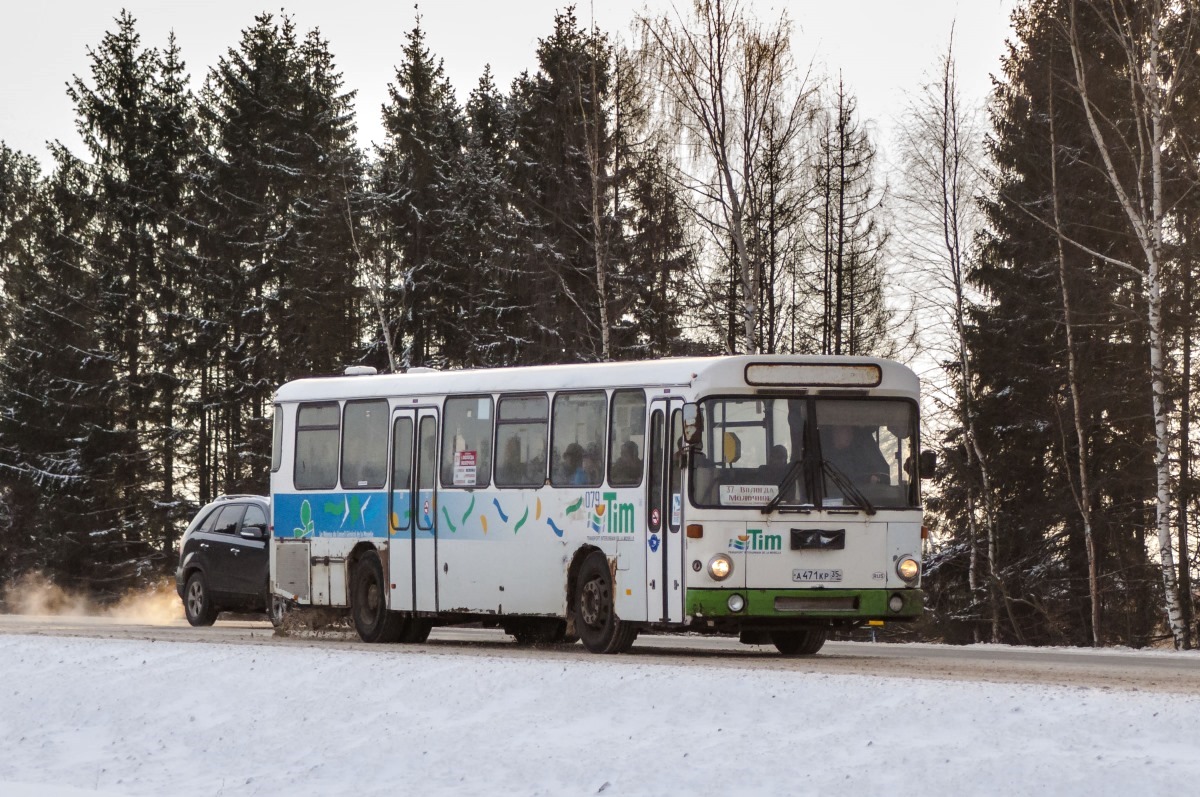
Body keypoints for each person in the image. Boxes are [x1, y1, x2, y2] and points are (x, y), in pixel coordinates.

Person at [824, 425, 889, 485]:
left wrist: (875, 478)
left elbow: (882, 472)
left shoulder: (864, 449)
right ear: (834, 432)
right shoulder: (821, 451)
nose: (850, 432)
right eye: (845, 428)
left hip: (863, 495)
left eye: (851, 429)